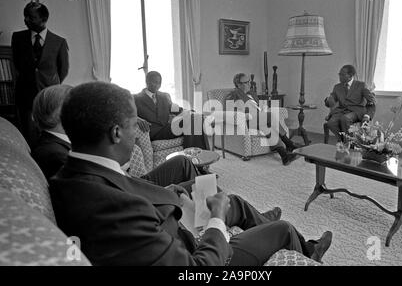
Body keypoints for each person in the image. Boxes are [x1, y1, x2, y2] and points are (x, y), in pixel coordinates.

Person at [50, 82, 333, 266]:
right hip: (198, 249)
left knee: (230, 198)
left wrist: (173, 193)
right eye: (133, 125)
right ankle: (309, 252)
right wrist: (217, 220)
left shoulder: (76, 174)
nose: (137, 132)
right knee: (280, 229)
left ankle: (255, 219)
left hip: (176, 224)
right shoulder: (110, 208)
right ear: (115, 133)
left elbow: (130, 190)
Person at [31, 85, 199, 185]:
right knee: (193, 177)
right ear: (60, 114)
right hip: (131, 189)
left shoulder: (60, 141)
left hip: (129, 180)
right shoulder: (53, 154)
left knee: (183, 163)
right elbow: (101, 189)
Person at [12, 2, 69, 146]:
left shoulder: (59, 42)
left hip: (48, 97)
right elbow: (17, 64)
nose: (26, 20)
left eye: (31, 17)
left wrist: (49, 84)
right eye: (25, 16)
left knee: (49, 136)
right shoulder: (17, 38)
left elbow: (63, 70)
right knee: (27, 137)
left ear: (43, 19)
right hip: (25, 96)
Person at [225, 73, 300, 166]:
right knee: (270, 116)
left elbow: (262, 106)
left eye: (249, 81)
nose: (249, 84)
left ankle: (284, 156)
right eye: (246, 82)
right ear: (238, 84)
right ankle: (289, 144)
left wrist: (263, 111)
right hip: (247, 121)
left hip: (259, 119)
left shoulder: (251, 93)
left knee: (267, 126)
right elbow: (232, 111)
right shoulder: (233, 95)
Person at [134, 71, 210, 150]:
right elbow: (125, 114)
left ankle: (198, 155)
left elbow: (176, 109)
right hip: (152, 131)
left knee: (196, 118)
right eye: (155, 82)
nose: (158, 85)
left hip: (167, 129)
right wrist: (137, 119)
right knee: (192, 122)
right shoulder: (136, 98)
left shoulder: (163, 96)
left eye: (159, 83)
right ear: (147, 81)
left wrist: (190, 112)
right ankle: (192, 155)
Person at [324, 65, 376, 142]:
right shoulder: (337, 87)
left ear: (350, 75)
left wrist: (367, 115)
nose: (339, 76)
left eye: (342, 74)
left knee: (345, 119)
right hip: (342, 111)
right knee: (331, 123)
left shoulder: (361, 85)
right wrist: (328, 100)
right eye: (339, 74)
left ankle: (349, 143)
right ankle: (345, 141)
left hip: (357, 111)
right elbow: (331, 100)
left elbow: (372, 101)